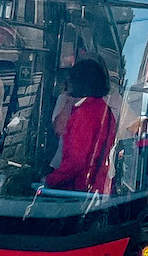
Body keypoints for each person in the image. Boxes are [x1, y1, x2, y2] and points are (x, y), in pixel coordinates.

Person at [44, 59, 117, 193]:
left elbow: (76, 160)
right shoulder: (103, 108)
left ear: (77, 82)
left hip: (78, 188)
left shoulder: (85, 113)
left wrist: (50, 180)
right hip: (99, 183)